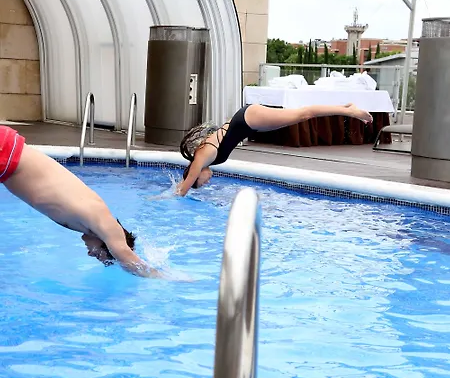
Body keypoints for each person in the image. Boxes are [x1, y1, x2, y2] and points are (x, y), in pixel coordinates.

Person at [0, 125, 160, 278]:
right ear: (108, 245)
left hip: (7, 159)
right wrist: (168, 279)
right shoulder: (105, 222)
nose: (90, 254)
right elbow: (128, 258)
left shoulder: (87, 223)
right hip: (6, 154)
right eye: (98, 255)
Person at [177, 103, 373, 196]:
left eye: (201, 182)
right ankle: (345, 107)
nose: (207, 182)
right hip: (248, 123)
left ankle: (350, 111)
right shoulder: (206, 156)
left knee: (303, 114)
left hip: (248, 119)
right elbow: (189, 177)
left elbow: (189, 179)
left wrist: (176, 196)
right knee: (299, 116)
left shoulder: (204, 155)